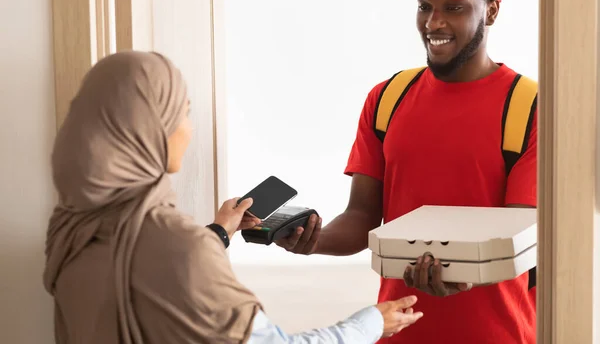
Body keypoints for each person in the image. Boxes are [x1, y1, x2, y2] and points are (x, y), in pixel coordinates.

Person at [42, 50, 423, 344]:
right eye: (182, 112)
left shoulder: (69, 229)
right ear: (146, 131)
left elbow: (150, 274)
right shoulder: (179, 248)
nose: (189, 130)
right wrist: (372, 322)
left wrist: (219, 232)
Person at [274, 0, 537, 343]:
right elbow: (362, 218)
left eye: (454, 8)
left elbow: (519, 243)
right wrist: (310, 240)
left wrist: (461, 275)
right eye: (425, 6)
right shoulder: (387, 99)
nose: (434, 22)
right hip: (397, 332)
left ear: (492, 11)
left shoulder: (530, 108)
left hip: (499, 333)